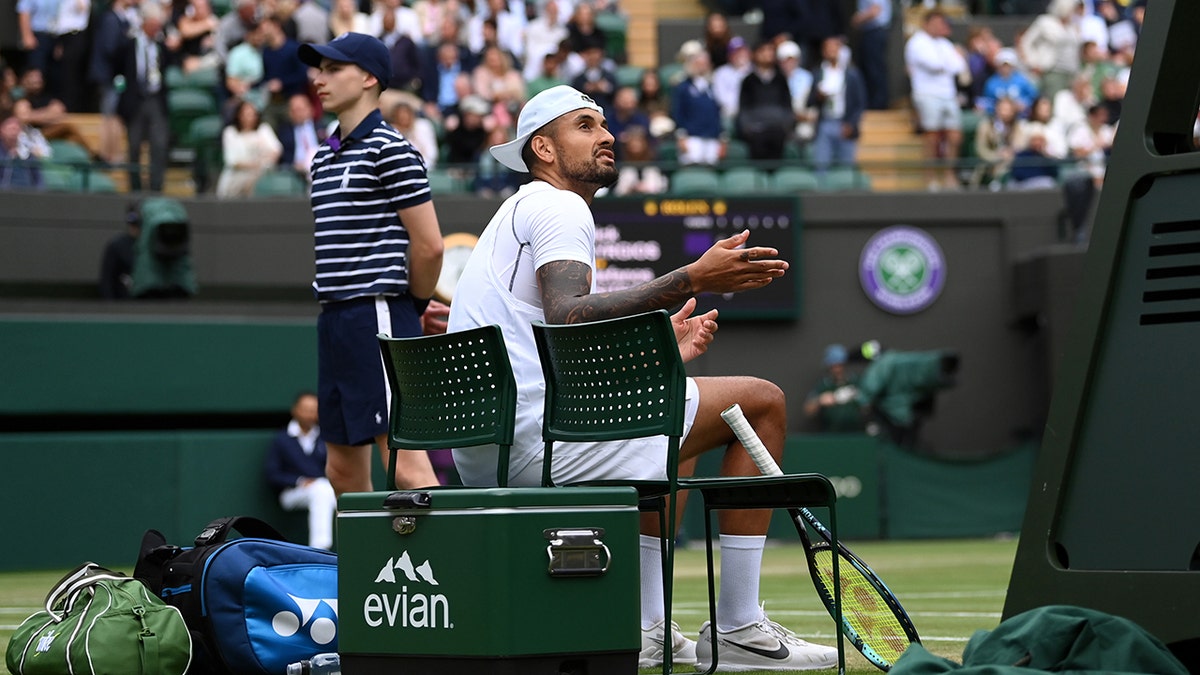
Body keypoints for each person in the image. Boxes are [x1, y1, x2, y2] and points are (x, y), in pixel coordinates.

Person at [446, 85, 839, 673]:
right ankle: (736, 627)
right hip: (533, 446)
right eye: (585, 126)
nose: (606, 136)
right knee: (762, 403)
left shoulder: (516, 213)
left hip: (489, 448)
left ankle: (648, 625)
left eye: (604, 124)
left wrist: (659, 354)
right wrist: (692, 277)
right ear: (544, 149)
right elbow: (568, 315)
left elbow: (554, 350)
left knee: (671, 426)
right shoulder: (559, 206)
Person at [299, 32, 445, 495]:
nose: (318, 79)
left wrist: (412, 306)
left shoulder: (392, 149)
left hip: (378, 314)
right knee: (341, 471)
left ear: (367, 78)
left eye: (332, 69)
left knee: (405, 466)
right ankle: (365, 570)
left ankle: (449, 569)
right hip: (335, 320)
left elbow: (430, 247)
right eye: (319, 69)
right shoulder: (322, 157)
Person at [263, 391, 337, 550]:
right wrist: (300, 481)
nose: (310, 414)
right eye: (306, 409)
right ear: (295, 410)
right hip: (291, 493)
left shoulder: (325, 437)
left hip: (324, 489)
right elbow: (272, 474)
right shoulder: (282, 439)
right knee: (322, 490)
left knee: (327, 491)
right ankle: (320, 548)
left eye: (314, 410)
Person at [905, 9, 967, 191]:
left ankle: (949, 175)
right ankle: (930, 177)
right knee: (931, 137)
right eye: (938, 23)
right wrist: (950, 60)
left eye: (943, 23)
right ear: (927, 23)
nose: (941, 26)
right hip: (926, 94)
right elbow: (934, 64)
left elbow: (959, 66)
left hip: (948, 95)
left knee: (955, 136)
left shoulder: (945, 43)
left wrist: (949, 62)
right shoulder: (916, 43)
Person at [118, 1, 175, 193]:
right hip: (135, 100)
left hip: (155, 98)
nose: (156, 29)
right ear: (144, 23)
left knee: (159, 144)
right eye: (153, 25)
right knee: (134, 146)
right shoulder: (129, 43)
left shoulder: (160, 45)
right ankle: (135, 188)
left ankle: (156, 188)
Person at [808, 35, 866, 176]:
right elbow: (810, 102)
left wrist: (851, 124)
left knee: (846, 168)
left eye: (835, 47)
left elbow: (860, 103)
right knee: (821, 166)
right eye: (829, 48)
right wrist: (819, 97)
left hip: (844, 124)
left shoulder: (852, 74)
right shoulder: (817, 73)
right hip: (825, 123)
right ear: (823, 51)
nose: (832, 51)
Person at [736, 39, 795, 162]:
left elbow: (787, 105)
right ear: (755, 54)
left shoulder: (781, 79)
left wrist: (786, 126)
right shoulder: (748, 81)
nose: (768, 54)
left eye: (771, 50)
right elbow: (744, 108)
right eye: (764, 50)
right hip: (756, 131)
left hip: (778, 130)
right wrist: (747, 128)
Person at [217, 98, 283, 198]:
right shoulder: (230, 132)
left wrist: (264, 164)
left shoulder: (263, 130)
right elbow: (232, 161)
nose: (249, 118)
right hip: (236, 179)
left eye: (252, 114)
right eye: (245, 114)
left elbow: (276, 150)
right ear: (238, 115)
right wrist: (256, 165)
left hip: (262, 176)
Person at [803, 344, 864, 432]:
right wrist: (820, 401)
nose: (837, 369)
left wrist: (859, 399)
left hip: (856, 434)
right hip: (831, 435)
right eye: (833, 366)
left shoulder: (856, 382)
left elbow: (869, 405)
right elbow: (808, 410)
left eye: (840, 365)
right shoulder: (824, 385)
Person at [851, 0, 892, 110]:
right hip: (872, 32)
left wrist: (858, 19)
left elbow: (875, 11)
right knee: (870, 68)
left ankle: (877, 105)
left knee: (873, 70)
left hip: (874, 32)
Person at [98, 200, 142, 299]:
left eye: (138, 223)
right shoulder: (116, 246)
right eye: (132, 223)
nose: (134, 228)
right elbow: (106, 281)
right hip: (122, 303)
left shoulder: (155, 246)